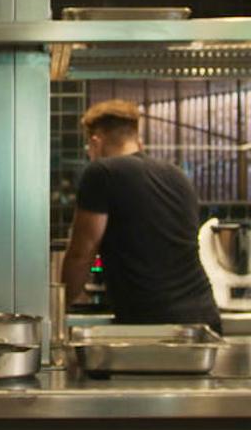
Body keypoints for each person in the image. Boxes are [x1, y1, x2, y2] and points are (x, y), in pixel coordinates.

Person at [62, 99, 221, 333]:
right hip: (204, 318)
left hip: (152, 324)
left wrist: (57, 306)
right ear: (138, 140)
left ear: (95, 143)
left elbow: (81, 253)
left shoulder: (101, 172)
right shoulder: (177, 175)